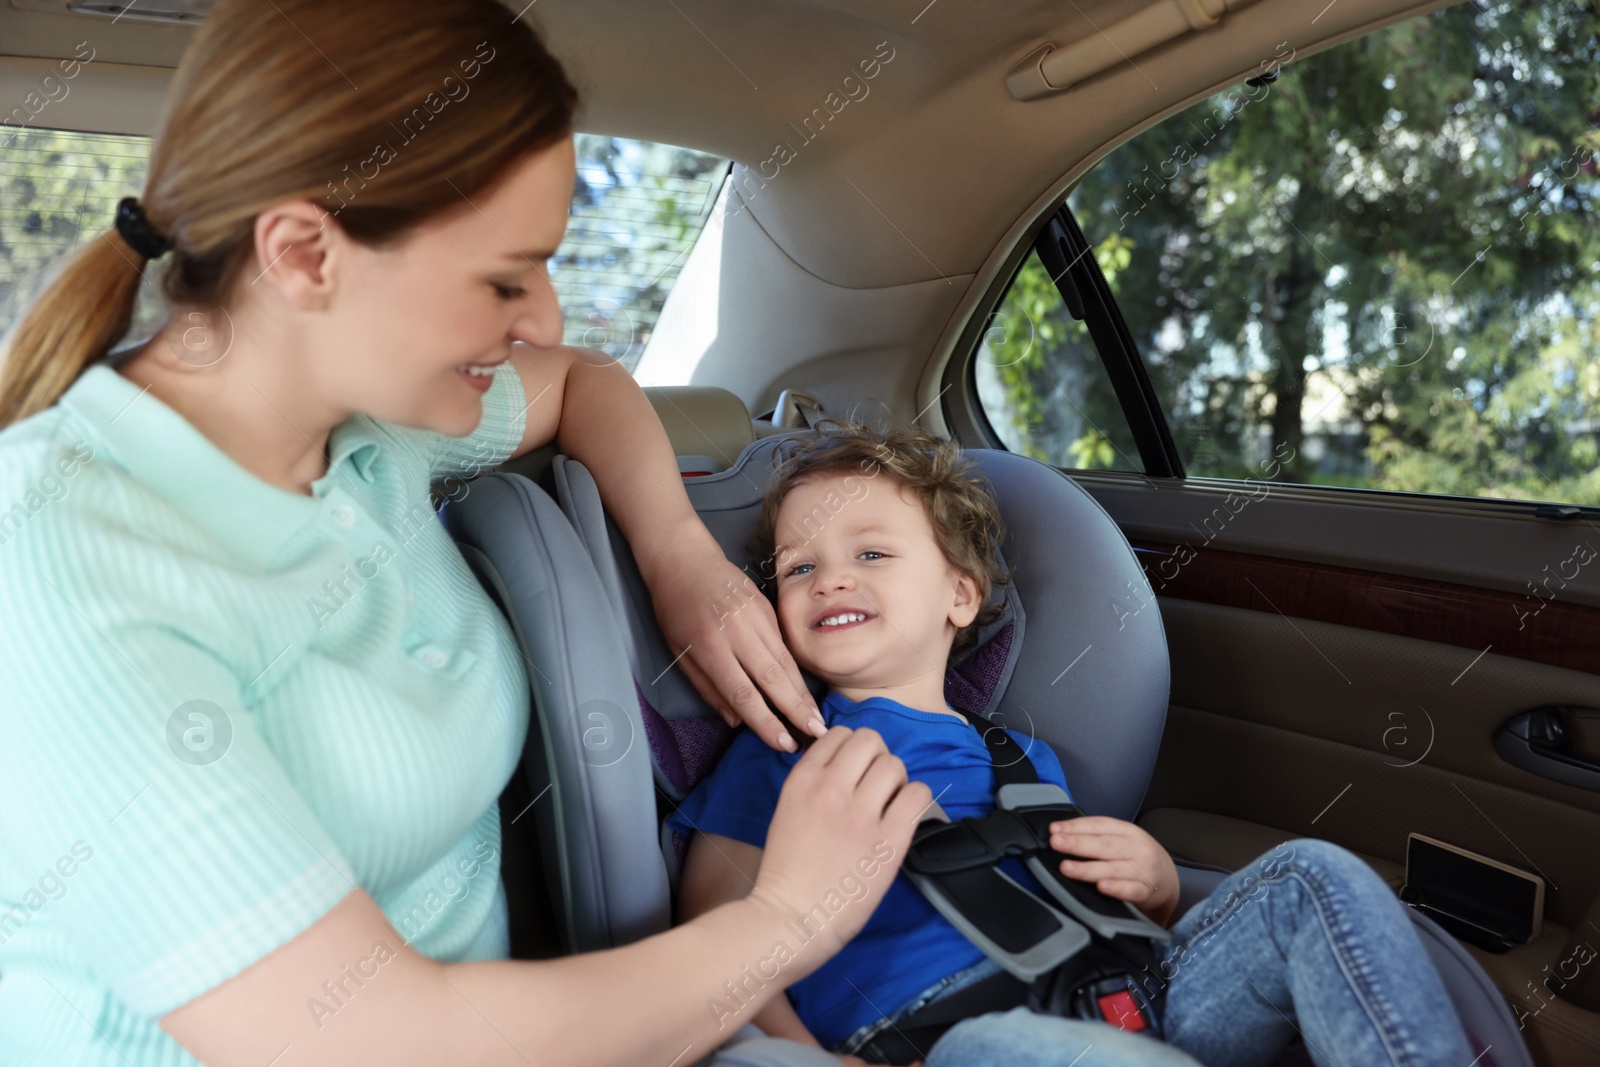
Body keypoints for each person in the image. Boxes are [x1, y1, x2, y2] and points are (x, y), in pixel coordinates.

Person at [0, 3, 934, 1065]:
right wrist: (792, 918)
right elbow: (375, 1038)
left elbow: (585, 380)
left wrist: (679, 556)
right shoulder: (56, 561)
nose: (541, 317)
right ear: (307, 255)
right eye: (502, 278)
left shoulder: (377, 427)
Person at [669, 418, 1476, 1067]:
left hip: (1139, 992)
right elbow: (713, 927)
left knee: (1311, 874)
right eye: (796, 567)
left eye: (870, 553)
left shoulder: (1025, 759)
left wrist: (1156, 889)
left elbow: (1080, 896)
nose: (830, 579)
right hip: (951, 1037)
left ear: (960, 592)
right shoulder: (787, 747)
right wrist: (798, 1053)